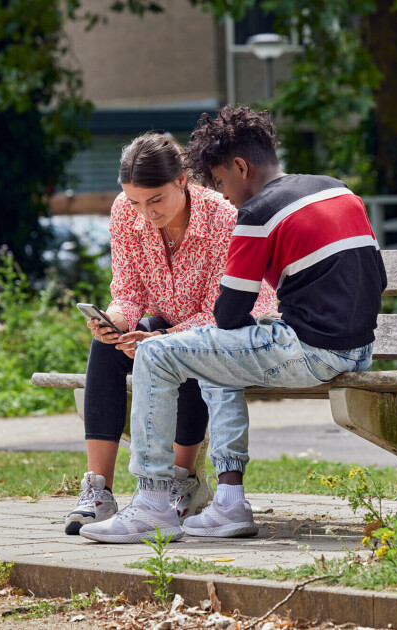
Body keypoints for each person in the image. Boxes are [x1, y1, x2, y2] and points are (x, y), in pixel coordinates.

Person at [80, 107, 388, 544]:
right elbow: (379, 276)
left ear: (241, 168)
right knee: (216, 352)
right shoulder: (337, 190)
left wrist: (180, 333)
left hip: (310, 348)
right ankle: (227, 504)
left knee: (161, 351)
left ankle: (152, 506)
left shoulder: (259, 212)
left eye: (222, 181)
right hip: (359, 346)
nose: (224, 194)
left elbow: (228, 315)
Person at [64, 131, 278, 535]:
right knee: (105, 346)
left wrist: (165, 339)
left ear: (182, 180)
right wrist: (114, 322)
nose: (145, 213)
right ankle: (98, 490)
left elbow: (225, 310)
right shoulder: (125, 213)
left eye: (155, 199)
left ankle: (183, 481)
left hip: (228, 328)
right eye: (135, 201)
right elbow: (128, 291)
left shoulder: (222, 217)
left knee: (186, 351)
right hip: (169, 321)